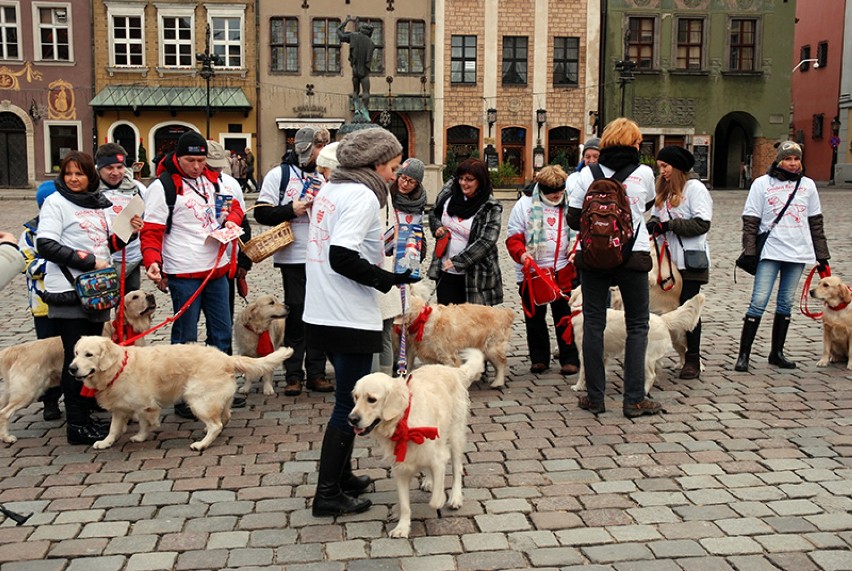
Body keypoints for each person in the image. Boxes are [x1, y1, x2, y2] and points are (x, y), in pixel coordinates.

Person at [303, 127, 417, 517]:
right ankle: (327, 495)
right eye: (392, 167)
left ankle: (343, 478)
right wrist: (388, 279)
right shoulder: (364, 196)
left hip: (321, 309)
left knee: (345, 401)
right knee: (346, 407)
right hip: (347, 313)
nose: (393, 175)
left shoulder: (332, 188)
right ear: (373, 164)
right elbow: (341, 255)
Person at [37, 151, 143, 444]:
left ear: (90, 177)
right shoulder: (56, 203)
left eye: (79, 174)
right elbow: (45, 243)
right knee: (77, 359)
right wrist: (85, 260)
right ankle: (76, 425)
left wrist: (129, 233)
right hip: (71, 292)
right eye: (68, 173)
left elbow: (105, 244)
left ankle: (86, 413)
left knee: (93, 357)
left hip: (96, 292)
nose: (73, 178)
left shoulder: (97, 204)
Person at [140, 131, 246, 414]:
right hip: (184, 271)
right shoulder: (162, 188)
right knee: (186, 338)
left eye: (201, 160)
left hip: (216, 270)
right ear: (177, 157)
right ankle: (182, 396)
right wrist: (153, 261)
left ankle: (220, 390)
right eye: (191, 160)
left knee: (221, 333)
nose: (197, 166)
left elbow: (234, 208)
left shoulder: (213, 180)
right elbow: (151, 231)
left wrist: (231, 223)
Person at [566, 117, 661, 418]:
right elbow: (643, 210)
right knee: (637, 324)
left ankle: (595, 397)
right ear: (634, 143)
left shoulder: (587, 174)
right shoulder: (644, 173)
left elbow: (572, 218)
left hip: (593, 255)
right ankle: (634, 398)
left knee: (594, 323)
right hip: (634, 255)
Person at [734, 141, 829, 372]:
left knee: (785, 302)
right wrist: (750, 251)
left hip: (798, 251)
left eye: (796, 159)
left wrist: (822, 256)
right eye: (788, 159)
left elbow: (815, 222)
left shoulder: (808, 185)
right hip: (771, 251)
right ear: (779, 160)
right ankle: (743, 355)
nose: (793, 163)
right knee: (759, 301)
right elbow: (751, 222)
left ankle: (776, 353)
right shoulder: (762, 184)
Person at [255, 126, 333, 397]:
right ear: (306, 148)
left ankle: (316, 372)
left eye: (325, 147)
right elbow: (262, 214)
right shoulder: (280, 174)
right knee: (297, 313)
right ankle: (292, 374)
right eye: (319, 147)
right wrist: (291, 209)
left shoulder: (327, 177)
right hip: (294, 255)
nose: (322, 153)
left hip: (322, 256)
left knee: (320, 315)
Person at [506, 165, 580, 376]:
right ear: (542, 188)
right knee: (535, 317)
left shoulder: (570, 202)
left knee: (565, 315)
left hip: (563, 268)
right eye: (551, 191)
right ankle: (539, 358)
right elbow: (514, 235)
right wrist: (521, 253)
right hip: (533, 271)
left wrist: (575, 251)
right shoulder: (525, 204)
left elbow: (579, 232)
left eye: (560, 190)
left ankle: (569, 357)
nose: (556, 195)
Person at [646, 146, 713, 380]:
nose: (662, 171)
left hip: (690, 260)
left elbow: (702, 223)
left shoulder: (695, 188)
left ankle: (692, 359)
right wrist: (654, 223)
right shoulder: (663, 191)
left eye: (665, 166)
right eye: (660, 166)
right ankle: (677, 353)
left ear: (676, 167)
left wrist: (670, 226)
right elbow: (658, 215)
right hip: (667, 261)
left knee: (689, 308)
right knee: (670, 308)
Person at [427, 158, 503, 306]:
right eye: (461, 178)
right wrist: (437, 227)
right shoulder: (449, 194)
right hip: (446, 270)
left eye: (469, 180)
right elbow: (434, 213)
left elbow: (486, 241)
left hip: (476, 275)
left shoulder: (491, 206)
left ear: (480, 181)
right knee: (448, 320)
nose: (463, 183)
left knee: (473, 324)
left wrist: (458, 261)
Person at [377, 157, 428, 374]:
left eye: (411, 182)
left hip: (406, 259)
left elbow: (418, 234)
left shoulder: (419, 204)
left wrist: (418, 249)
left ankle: (403, 360)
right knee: (388, 320)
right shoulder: (386, 196)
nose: (405, 184)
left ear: (417, 185)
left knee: (403, 317)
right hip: (386, 259)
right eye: (403, 178)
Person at [19, 181, 63, 421]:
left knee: (74, 350)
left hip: (72, 301)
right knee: (47, 355)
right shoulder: (29, 233)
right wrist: (62, 260)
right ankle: (50, 400)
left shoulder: (70, 225)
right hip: (43, 304)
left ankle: (83, 397)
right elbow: (28, 264)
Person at [206, 140, 252, 338]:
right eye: (211, 166)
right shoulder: (182, 185)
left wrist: (244, 261)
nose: (215, 170)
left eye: (219, 166)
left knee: (222, 324)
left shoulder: (230, 184)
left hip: (226, 263)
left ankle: (223, 363)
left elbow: (243, 223)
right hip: (191, 264)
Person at [94, 142, 148, 292]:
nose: (115, 172)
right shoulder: (90, 189)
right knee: (100, 305)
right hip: (100, 259)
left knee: (129, 307)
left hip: (130, 257)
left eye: (119, 167)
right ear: (98, 168)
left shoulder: (137, 188)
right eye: (109, 168)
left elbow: (150, 219)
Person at [337, 15, 376, 116]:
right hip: (365, 71)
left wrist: (345, 22)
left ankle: (356, 108)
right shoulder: (371, 43)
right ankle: (364, 110)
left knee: (355, 91)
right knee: (366, 91)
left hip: (355, 69)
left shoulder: (353, 36)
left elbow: (340, 35)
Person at [566, 137, 600, 202]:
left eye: (596, 157)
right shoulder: (572, 178)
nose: (591, 160)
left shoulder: (608, 177)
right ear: (583, 158)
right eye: (587, 157)